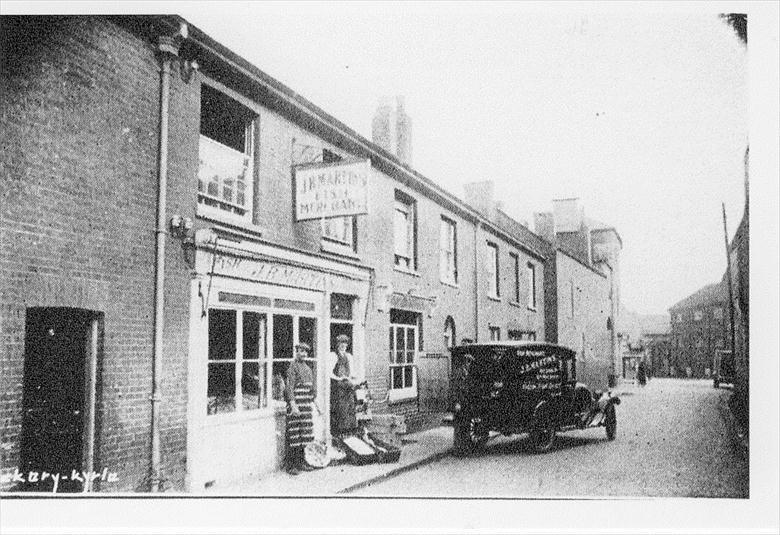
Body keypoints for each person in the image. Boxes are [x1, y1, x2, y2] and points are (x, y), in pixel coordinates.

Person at [285, 342, 317, 475]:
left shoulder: (308, 369)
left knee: (305, 434)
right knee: (294, 435)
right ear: (296, 352)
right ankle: (291, 465)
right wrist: (293, 405)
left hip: (306, 405)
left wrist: (316, 404)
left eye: (305, 352)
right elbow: (289, 387)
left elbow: (312, 390)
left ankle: (302, 462)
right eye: (300, 351)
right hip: (296, 405)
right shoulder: (292, 367)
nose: (303, 354)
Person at [329, 334, 358, 437]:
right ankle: (340, 434)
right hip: (338, 388)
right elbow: (329, 372)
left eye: (345, 343)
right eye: (341, 343)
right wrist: (339, 378)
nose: (343, 345)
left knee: (350, 410)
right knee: (341, 411)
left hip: (348, 387)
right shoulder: (333, 355)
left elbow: (352, 372)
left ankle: (349, 434)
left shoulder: (349, 356)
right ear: (337, 344)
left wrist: (353, 378)